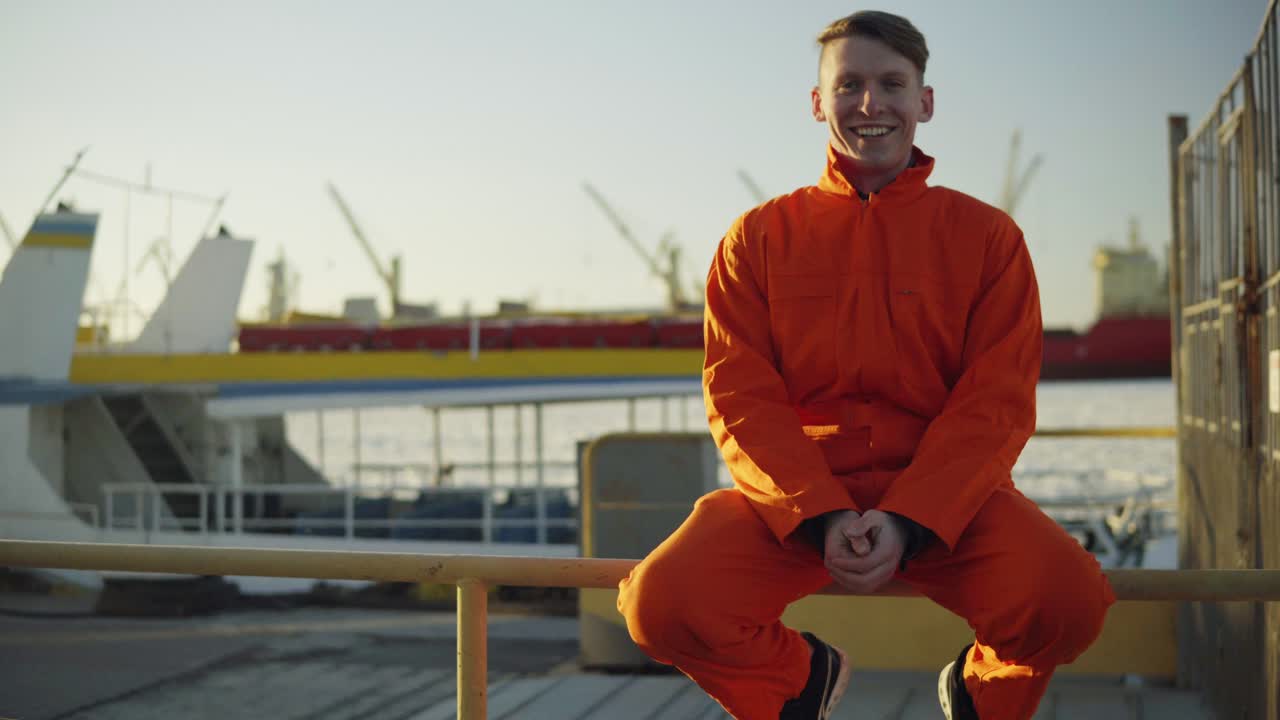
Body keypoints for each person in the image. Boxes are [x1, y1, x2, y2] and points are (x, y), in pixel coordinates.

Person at [616, 10, 1115, 720]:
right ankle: (796, 681)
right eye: (848, 84)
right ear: (818, 102)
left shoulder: (989, 238)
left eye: (892, 83)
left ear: (926, 101)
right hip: (794, 503)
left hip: (951, 504)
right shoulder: (756, 239)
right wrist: (817, 516)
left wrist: (912, 518)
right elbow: (739, 396)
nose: (870, 104)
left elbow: (995, 399)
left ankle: (980, 696)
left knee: (1068, 600)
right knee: (662, 602)